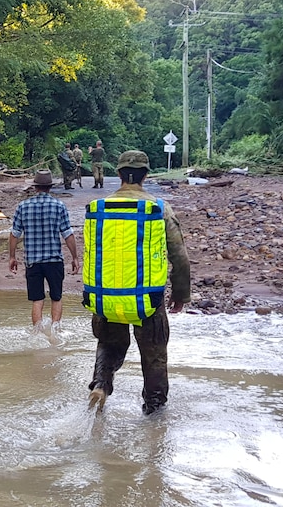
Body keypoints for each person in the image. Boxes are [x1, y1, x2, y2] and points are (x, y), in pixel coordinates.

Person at [82, 150, 191, 415]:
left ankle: (101, 385)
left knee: (109, 345)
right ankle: (154, 412)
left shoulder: (100, 208)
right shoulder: (159, 209)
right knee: (154, 355)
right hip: (147, 300)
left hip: (105, 296)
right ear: (146, 175)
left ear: (118, 174)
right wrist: (180, 295)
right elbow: (180, 257)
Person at [9, 170, 80, 335]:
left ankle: (37, 335)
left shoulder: (23, 206)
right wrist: (75, 257)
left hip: (33, 261)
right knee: (56, 297)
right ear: (49, 187)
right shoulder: (59, 206)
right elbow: (68, 234)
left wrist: (12, 257)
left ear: (35, 187)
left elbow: (15, 234)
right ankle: (55, 332)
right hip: (54, 260)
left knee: (37, 299)